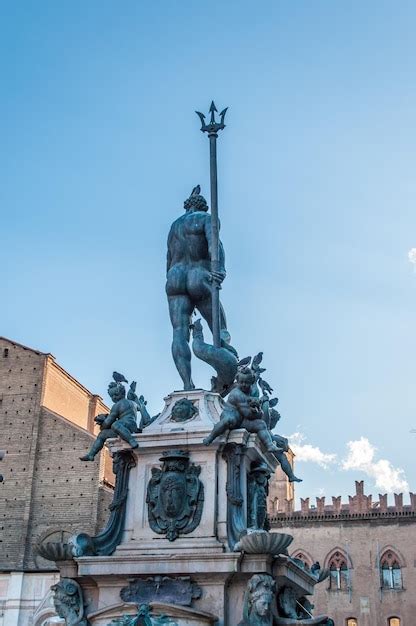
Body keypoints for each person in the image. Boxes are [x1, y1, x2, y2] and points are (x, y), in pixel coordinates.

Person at [166, 185, 231, 390]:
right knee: (219, 326)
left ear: (187, 208)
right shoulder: (207, 219)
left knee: (179, 333)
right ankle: (225, 350)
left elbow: (168, 259)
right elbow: (215, 246)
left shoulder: (174, 226)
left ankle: (187, 384)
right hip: (198, 274)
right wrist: (219, 269)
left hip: (175, 278)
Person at [203, 367, 280, 453]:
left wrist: (258, 411)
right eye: (241, 382)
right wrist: (257, 411)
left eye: (246, 382)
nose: (243, 384)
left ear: (252, 381)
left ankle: (269, 445)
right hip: (231, 414)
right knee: (228, 420)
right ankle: (210, 437)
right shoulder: (237, 394)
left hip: (242, 419)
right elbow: (248, 414)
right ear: (237, 380)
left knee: (261, 424)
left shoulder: (254, 391)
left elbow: (256, 413)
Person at [80, 381, 139, 461]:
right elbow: (139, 408)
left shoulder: (117, 405)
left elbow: (108, 423)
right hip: (132, 426)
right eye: (112, 396)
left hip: (125, 426)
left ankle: (131, 440)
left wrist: (102, 423)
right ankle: (91, 454)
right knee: (102, 435)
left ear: (122, 393)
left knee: (114, 425)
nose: (114, 397)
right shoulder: (132, 403)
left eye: (116, 395)